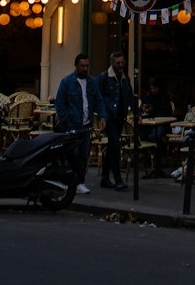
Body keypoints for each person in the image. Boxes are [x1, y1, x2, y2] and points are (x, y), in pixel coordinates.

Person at [54, 53, 107, 194]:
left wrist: (102, 117)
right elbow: (59, 104)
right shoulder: (67, 82)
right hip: (72, 125)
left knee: (83, 155)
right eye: (82, 66)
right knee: (73, 155)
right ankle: (72, 181)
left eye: (86, 66)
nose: (84, 69)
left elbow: (99, 99)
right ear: (76, 66)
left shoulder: (92, 81)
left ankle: (80, 181)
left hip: (86, 125)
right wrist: (67, 122)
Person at [96, 52, 138, 191]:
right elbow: (98, 97)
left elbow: (130, 96)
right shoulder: (104, 78)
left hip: (120, 115)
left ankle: (104, 178)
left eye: (122, 62)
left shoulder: (126, 79)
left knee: (112, 146)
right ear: (112, 63)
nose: (120, 65)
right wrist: (102, 115)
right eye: (117, 63)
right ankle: (118, 179)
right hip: (109, 116)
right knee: (115, 144)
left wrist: (136, 112)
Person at [140, 76, 174, 148]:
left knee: (154, 136)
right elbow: (143, 108)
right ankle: (148, 155)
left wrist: (153, 110)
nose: (153, 90)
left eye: (155, 88)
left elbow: (167, 113)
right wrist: (143, 108)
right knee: (141, 135)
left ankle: (156, 154)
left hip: (162, 123)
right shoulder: (148, 97)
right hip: (149, 123)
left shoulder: (164, 97)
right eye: (151, 88)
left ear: (159, 87)